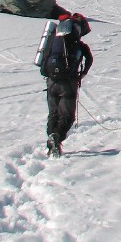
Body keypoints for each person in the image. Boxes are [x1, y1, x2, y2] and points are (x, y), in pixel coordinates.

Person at [43, 12, 93, 157]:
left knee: (53, 114)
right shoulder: (78, 44)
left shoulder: (54, 40)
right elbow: (89, 59)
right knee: (67, 116)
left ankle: (52, 143)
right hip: (68, 82)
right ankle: (57, 137)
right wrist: (82, 73)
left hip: (51, 80)